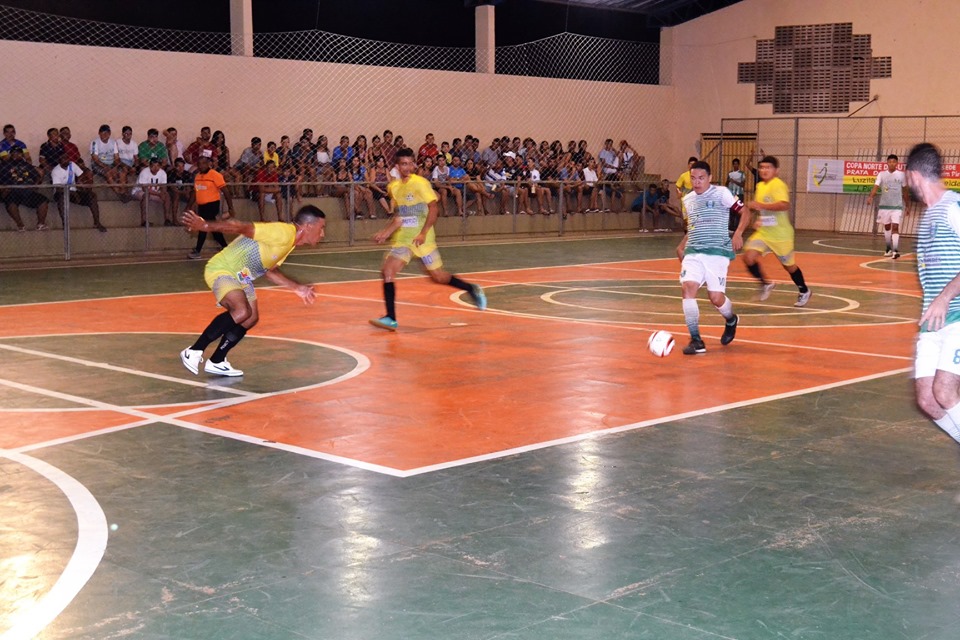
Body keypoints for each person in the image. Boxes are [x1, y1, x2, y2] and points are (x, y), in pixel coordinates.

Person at [178, 204, 327, 377]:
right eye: (321, 228)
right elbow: (240, 226)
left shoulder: (289, 243)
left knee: (250, 318)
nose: (322, 233)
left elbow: (269, 270)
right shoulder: (282, 232)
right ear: (308, 226)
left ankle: (217, 360)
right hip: (223, 268)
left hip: (242, 275)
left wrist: (297, 288)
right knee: (241, 311)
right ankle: (194, 350)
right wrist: (205, 226)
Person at [369, 147, 486, 331]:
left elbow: (434, 209)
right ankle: (391, 317)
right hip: (404, 240)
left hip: (424, 239)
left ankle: (471, 289)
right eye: (403, 164)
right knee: (388, 271)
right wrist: (386, 232)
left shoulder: (421, 183)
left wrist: (423, 233)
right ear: (397, 167)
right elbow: (401, 217)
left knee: (438, 277)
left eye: (410, 163)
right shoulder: (394, 187)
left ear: (414, 164)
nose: (407, 167)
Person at [906, 142, 960, 446]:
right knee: (928, 400)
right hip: (933, 322)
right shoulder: (928, 216)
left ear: (914, 176)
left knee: (944, 391)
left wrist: (945, 297)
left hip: (959, 314)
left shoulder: (953, 207)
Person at [675, 160, 749, 355]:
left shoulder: (722, 193)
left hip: (717, 252)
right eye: (693, 178)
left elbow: (745, 212)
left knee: (715, 298)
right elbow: (694, 226)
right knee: (688, 288)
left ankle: (731, 319)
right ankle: (696, 340)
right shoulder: (688, 199)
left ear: (709, 178)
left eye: (701, 178)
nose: (696, 182)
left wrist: (738, 233)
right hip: (694, 251)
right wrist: (682, 245)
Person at [742, 155, 812, 307]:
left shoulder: (778, 185)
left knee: (789, 266)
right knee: (748, 256)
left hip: (781, 235)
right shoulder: (760, 186)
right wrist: (759, 218)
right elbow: (762, 208)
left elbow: (784, 205)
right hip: (765, 232)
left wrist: (760, 205)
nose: (764, 170)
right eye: (762, 167)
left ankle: (804, 290)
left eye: (768, 167)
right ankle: (765, 284)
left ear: (776, 170)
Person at [187, 149, 236, 259]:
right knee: (213, 229)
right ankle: (225, 248)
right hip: (202, 206)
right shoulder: (197, 176)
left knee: (203, 226)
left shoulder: (215, 175)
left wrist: (231, 207)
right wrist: (189, 206)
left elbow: (226, 192)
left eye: (204, 163)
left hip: (212, 205)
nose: (201, 166)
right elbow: (195, 192)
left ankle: (197, 251)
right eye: (199, 164)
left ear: (209, 163)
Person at [50, 152, 106, 232]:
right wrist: (73, 193)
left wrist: (80, 183)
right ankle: (65, 224)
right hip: (61, 192)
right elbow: (58, 188)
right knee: (62, 198)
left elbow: (81, 175)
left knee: (92, 195)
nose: (67, 160)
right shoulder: (55, 171)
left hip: (73, 191)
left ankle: (97, 222)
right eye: (64, 158)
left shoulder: (72, 165)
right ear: (59, 161)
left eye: (67, 158)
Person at [867, 153, 909, 259]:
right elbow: (876, 187)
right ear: (887, 163)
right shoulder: (881, 174)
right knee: (887, 227)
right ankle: (888, 248)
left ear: (897, 163)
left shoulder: (901, 175)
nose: (892, 163)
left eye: (894, 161)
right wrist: (871, 197)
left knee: (895, 227)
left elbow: (905, 191)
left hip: (897, 206)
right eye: (890, 161)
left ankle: (895, 251)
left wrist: (907, 205)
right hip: (885, 205)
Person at [0, 146, 49, 231]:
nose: (16, 155)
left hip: (27, 191)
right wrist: (4, 189)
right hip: (12, 191)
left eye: (19, 153)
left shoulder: (27, 165)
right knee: (11, 204)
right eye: (14, 153)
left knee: (43, 201)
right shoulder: (5, 165)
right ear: (10, 154)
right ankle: (20, 225)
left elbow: (37, 177)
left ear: (22, 155)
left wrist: (35, 185)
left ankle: (41, 224)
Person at [132, 157, 170, 226]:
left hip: (154, 193)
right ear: (149, 165)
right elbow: (144, 189)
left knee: (166, 195)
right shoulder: (144, 172)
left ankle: (167, 219)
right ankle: (144, 221)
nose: (155, 168)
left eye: (158, 165)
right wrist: (158, 194)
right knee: (146, 195)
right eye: (153, 165)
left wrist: (162, 193)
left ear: (160, 166)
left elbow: (164, 187)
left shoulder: (163, 173)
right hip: (139, 192)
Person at [727, 158, 746, 232]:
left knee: (738, 211)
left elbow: (742, 184)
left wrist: (734, 181)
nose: (735, 165)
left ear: (739, 165)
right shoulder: (730, 173)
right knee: (731, 211)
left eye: (736, 164)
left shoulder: (741, 173)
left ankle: (737, 228)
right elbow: (727, 182)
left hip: (738, 194)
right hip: (731, 194)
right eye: (734, 164)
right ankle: (731, 228)